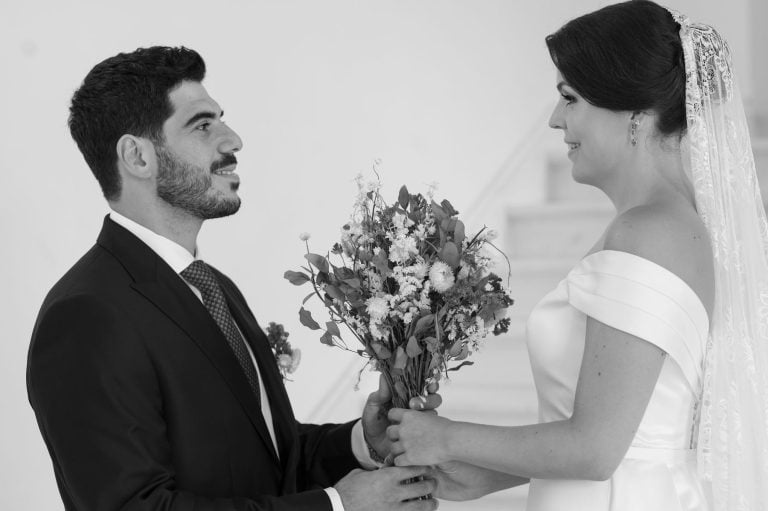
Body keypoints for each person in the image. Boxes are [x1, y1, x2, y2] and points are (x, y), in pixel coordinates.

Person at [387, 1, 768, 510]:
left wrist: (446, 436)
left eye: (570, 98)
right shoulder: (668, 226)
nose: (553, 118)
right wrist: (487, 473)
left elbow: (594, 449)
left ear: (634, 112)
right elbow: (642, 434)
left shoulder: (649, 233)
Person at [26, 46, 440, 511]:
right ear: (137, 157)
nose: (233, 139)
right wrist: (334, 506)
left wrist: (362, 441)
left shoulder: (214, 286)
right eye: (202, 125)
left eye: (221, 120)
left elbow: (268, 460)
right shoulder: (87, 316)